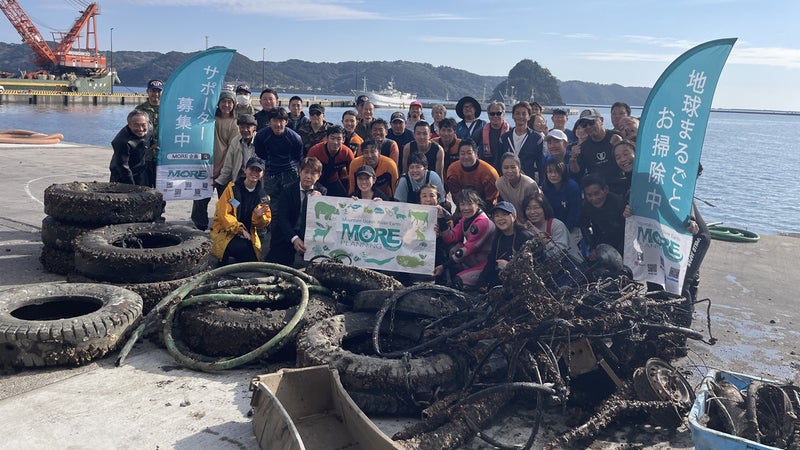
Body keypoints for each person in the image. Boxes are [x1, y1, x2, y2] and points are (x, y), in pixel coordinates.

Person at [191, 90, 239, 231]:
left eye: (230, 102)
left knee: (227, 200)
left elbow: (231, 149)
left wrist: (220, 169)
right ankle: (199, 225)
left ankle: (225, 226)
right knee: (200, 199)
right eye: (223, 101)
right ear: (218, 103)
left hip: (225, 168)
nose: (226, 105)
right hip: (205, 166)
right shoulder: (209, 119)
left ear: (234, 104)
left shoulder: (235, 123)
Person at [265, 157, 326, 267]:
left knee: (316, 267)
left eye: (313, 173)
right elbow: (282, 218)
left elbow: (326, 220)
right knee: (278, 265)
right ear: (299, 172)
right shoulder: (287, 189)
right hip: (288, 233)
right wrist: (294, 238)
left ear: (319, 175)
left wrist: (321, 201)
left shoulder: (322, 191)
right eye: (306, 172)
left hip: (310, 235)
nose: (308, 176)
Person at [210, 156, 271, 265]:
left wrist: (258, 217)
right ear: (245, 170)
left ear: (262, 174)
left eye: (258, 170)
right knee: (237, 247)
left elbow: (264, 223)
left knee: (252, 257)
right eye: (252, 169)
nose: (254, 173)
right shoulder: (232, 189)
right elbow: (223, 215)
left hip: (249, 235)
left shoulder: (263, 196)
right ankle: (222, 258)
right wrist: (240, 229)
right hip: (227, 231)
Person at [434, 188, 496, 290]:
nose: (466, 208)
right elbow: (451, 237)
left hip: (485, 264)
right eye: (462, 204)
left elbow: (467, 250)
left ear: (477, 204)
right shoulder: (465, 219)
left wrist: (444, 266)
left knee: (458, 281)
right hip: (474, 259)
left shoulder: (482, 222)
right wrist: (441, 219)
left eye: (469, 204)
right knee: (452, 250)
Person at [476, 201, 534, 290]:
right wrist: (481, 284)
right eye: (497, 216)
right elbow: (491, 263)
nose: (500, 218)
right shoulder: (498, 238)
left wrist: (509, 266)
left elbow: (536, 266)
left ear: (514, 217)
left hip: (524, 286)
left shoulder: (525, 237)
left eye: (504, 214)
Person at [253, 107, 304, 208]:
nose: (278, 124)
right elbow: (260, 153)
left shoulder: (295, 138)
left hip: (290, 172)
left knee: (290, 203)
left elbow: (297, 156)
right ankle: (271, 223)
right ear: (269, 122)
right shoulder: (261, 136)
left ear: (286, 122)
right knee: (270, 203)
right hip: (270, 171)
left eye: (281, 121)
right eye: (275, 121)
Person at [569, 108, 627, 195]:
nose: (588, 127)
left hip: (621, 188)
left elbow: (633, 158)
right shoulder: (584, 147)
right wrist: (573, 159)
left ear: (601, 120)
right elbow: (577, 174)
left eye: (592, 122)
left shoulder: (616, 136)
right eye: (584, 125)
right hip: (598, 194)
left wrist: (621, 144)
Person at [579, 174, 627, 267]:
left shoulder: (618, 203)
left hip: (622, 240)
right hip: (601, 240)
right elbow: (583, 225)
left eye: (597, 193)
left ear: (605, 190)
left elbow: (626, 231)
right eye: (589, 195)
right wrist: (591, 247)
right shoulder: (586, 206)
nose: (594, 199)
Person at [524, 193, 583, 263]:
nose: (532, 212)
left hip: (572, 267)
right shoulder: (527, 231)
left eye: (536, 207)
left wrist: (539, 234)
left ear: (544, 208)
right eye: (528, 208)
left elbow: (559, 255)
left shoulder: (556, 225)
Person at [109, 109, 157, 186]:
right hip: (121, 173)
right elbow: (123, 166)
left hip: (140, 168)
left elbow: (152, 137)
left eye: (143, 125)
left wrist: (153, 143)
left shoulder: (149, 128)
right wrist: (132, 186)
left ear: (147, 124)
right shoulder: (121, 141)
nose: (140, 129)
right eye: (136, 125)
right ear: (129, 125)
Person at [445, 138, 499, 206]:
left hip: (486, 207)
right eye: (462, 154)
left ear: (476, 154)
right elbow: (456, 197)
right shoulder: (453, 170)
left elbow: (491, 200)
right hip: (463, 206)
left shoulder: (489, 172)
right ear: (458, 155)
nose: (466, 157)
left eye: (469, 153)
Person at [499, 101, 544, 181]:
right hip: (508, 181)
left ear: (529, 116)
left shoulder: (537, 139)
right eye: (517, 113)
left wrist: (541, 184)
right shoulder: (504, 138)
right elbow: (499, 161)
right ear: (513, 116)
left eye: (524, 114)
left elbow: (540, 164)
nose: (520, 116)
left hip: (528, 181)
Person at [306, 125, 354, 197]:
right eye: (332, 138)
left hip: (333, 180)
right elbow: (307, 170)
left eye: (339, 139)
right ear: (327, 138)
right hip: (316, 181)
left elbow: (353, 173)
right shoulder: (315, 151)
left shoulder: (347, 153)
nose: (335, 142)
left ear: (343, 140)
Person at [542, 156, 582, 243]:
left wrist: (564, 230)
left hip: (572, 228)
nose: (553, 175)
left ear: (563, 172)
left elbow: (575, 212)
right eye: (550, 172)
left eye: (557, 172)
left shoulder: (572, 187)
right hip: (553, 228)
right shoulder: (545, 187)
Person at [419, 183, 454, 284]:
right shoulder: (412, 212)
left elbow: (450, 238)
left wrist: (441, 226)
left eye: (432, 196)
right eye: (424, 196)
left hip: (438, 252)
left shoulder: (445, 215)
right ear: (420, 199)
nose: (428, 199)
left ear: (438, 198)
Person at [214, 113, 257, 188]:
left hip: (257, 179)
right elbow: (228, 165)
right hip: (239, 179)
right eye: (242, 127)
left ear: (254, 128)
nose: (245, 130)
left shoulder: (260, 140)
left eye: (248, 127)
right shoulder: (235, 141)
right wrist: (219, 181)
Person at [135, 79, 162, 187]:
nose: (155, 94)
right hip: (144, 156)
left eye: (158, 91)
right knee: (144, 188)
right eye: (153, 91)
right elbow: (134, 131)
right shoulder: (140, 109)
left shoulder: (167, 109)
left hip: (162, 157)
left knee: (161, 190)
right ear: (147, 91)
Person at [495, 152, 541, 216]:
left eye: (513, 167)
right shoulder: (500, 183)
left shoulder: (529, 184)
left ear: (519, 167)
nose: (509, 171)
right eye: (506, 168)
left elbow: (535, 207)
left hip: (532, 216)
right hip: (515, 218)